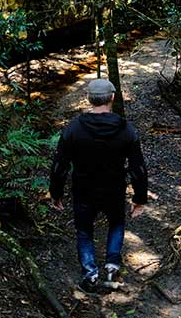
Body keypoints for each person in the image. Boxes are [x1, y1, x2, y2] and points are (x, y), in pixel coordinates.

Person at [49, 78, 148, 293]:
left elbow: (59, 165)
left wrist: (55, 193)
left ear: (89, 99)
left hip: (83, 190)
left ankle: (90, 274)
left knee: (84, 230)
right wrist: (140, 198)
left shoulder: (74, 128)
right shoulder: (126, 129)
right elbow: (137, 167)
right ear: (112, 98)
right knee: (116, 224)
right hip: (114, 189)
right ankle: (112, 267)